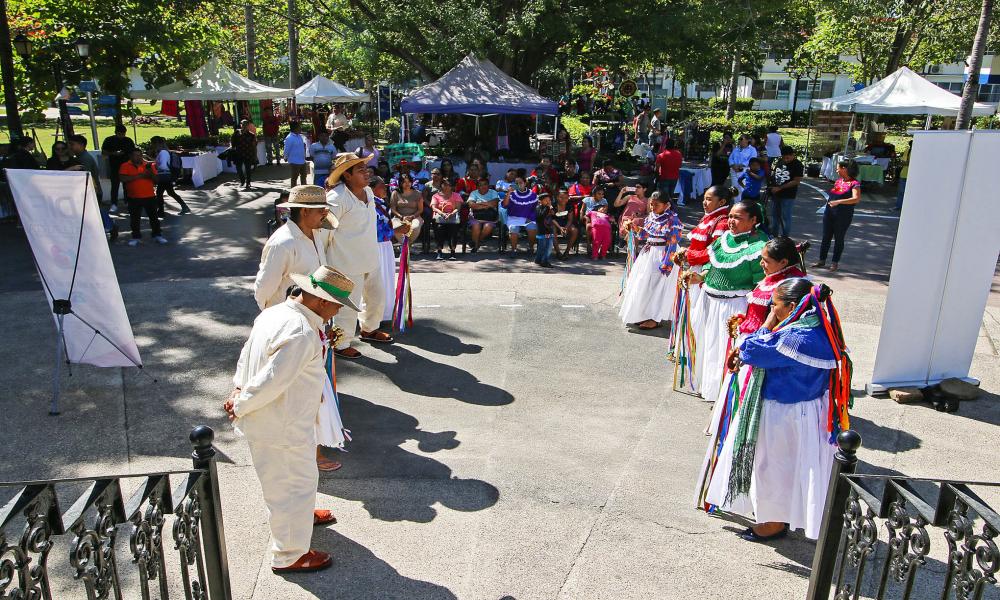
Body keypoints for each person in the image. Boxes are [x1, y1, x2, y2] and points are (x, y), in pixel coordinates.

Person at [225, 265, 359, 573]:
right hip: (281, 424)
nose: (338, 311)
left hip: (284, 417)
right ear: (322, 301)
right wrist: (240, 403)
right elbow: (272, 380)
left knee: (298, 479)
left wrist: (238, 389)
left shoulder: (274, 313)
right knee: (289, 485)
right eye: (337, 305)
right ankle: (289, 554)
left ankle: (300, 519)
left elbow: (247, 354)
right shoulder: (300, 332)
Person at [703, 280, 846, 542]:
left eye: (775, 304)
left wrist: (768, 322)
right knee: (792, 467)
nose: (771, 308)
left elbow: (751, 350)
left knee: (773, 468)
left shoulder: (794, 338)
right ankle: (784, 515)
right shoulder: (819, 328)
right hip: (808, 411)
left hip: (784, 413)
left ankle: (772, 523)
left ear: (792, 307)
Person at [694, 236, 808, 509]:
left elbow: (780, 327)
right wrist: (745, 325)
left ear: (783, 262)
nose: (761, 264)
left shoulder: (791, 286)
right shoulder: (775, 279)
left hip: (763, 351)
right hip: (752, 342)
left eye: (765, 260)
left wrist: (756, 338)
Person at [252, 185, 349, 470]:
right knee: (300, 392)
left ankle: (311, 450)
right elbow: (263, 291)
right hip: (291, 328)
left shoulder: (315, 236)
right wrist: (280, 322)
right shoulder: (282, 243)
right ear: (305, 211)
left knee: (313, 389)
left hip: (314, 323)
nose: (324, 214)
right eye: (321, 210)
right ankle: (307, 455)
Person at [686, 201, 767, 402]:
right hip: (710, 302)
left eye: (737, 217)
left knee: (724, 349)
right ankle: (708, 387)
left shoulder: (759, 247)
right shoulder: (724, 239)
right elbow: (712, 264)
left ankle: (723, 395)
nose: (731, 221)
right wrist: (701, 276)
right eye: (730, 216)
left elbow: (761, 284)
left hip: (734, 307)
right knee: (708, 345)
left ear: (753, 220)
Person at [326, 153, 394, 358]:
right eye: (360, 169)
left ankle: (369, 329)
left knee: (376, 298)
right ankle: (340, 344)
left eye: (366, 168)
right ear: (347, 175)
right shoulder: (336, 198)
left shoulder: (368, 192)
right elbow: (324, 234)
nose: (367, 172)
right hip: (345, 263)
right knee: (346, 308)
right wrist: (325, 264)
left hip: (370, 257)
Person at [619, 192, 683, 329]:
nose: (653, 207)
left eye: (656, 205)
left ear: (666, 205)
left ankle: (655, 318)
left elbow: (672, 242)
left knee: (658, 287)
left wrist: (667, 263)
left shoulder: (673, 220)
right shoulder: (652, 217)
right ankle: (642, 314)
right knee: (642, 283)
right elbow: (645, 234)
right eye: (651, 204)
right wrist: (634, 228)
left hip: (663, 254)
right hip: (648, 254)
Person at [813, 160, 861, 272]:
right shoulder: (838, 181)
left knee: (839, 238)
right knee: (826, 237)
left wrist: (839, 202)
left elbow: (856, 199)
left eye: (838, 168)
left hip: (843, 215)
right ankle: (821, 260)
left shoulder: (854, 183)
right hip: (829, 213)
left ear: (845, 169)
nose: (836, 170)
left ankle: (834, 263)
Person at [372, 177, 409, 321]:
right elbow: (375, 230)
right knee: (379, 280)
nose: (385, 189)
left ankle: (385, 313)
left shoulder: (380, 203)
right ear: (373, 188)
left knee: (387, 279)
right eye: (382, 186)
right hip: (376, 246)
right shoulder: (370, 205)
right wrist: (396, 230)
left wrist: (397, 229)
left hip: (385, 246)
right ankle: (375, 316)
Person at [68, 134, 117, 241]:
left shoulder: (84, 159)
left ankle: (110, 226)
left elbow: (86, 176)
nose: (70, 147)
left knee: (96, 211)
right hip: (91, 189)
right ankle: (110, 226)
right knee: (96, 210)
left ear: (81, 145)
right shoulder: (81, 157)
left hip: (91, 190)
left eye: (72, 144)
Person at [118, 149, 167, 246]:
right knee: (135, 219)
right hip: (133, 197)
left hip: (149, 196)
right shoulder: (125, 165)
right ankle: (136, 237)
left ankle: (157, 235)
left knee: (154, 218)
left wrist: (150, 173)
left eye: (140, 155)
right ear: (131, 156)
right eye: (136, 155)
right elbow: (123, 178)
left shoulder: (148, 165)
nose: (139, 157)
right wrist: (140, 176)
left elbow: (157, 180)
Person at [768, 146, 804, 237]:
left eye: (788, 158)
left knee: (785, 217)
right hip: (776, 193)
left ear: (793, 155)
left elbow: (796, 181)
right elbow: (774, 174)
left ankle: (785, 236)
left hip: (788, 195)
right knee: (775, 215)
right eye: (784, 157)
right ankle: (774, 235)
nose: (785, 160)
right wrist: (772, 185)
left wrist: (780, 188)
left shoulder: (798, 165)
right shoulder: (780, 161)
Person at [151, 136, 191, 215]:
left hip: (164, 175)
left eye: (152, 143)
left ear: (157, 144)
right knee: (169, 192)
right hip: (166, 175)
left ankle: (161, 211)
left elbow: (163, 165)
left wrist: (156, 166)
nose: (152, 145)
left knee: (160, 193)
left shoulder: (163, 153)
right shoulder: (164, 152)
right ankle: (183, 206)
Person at [102, 125, 136, 212]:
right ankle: (114, 203)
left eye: (123, 134)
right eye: (120, 134)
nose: (121, 136)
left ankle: (128, 202)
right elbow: (104, 152)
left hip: (126, 166)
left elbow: (133, 152)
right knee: (115, 186)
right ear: (116, 133)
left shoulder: (128, 140)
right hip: (114, 166)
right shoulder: (109, 140)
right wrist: (113, 153)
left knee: (127, 185)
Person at [502, 175, 538, 256]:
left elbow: (535, 209)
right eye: (516, 183)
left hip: (528, 218)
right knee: (513, 229)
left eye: (520, 183)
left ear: (525, 183)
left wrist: (531, 218)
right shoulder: (511, 194)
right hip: (513, 218)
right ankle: (514, 250)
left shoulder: (532, 195)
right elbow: (504, 205)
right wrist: (509, 193)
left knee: (532, 228)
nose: (518, 185)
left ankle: (531, 248)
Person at [431, 179, 463, 261]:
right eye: (444, 185)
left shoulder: (456, 195)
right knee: (439, 228)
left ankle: (453, 251)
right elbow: (434, 207)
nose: (446, 187)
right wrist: (442, 214)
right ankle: (439, 251)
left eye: (449, 185)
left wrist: (451, 214)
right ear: (441, 185)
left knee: (453, 228)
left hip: (452, 216)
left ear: (451, 186)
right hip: (440, 217)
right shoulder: (435, 196)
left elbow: (458, 208)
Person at [467, 175, 500, 252]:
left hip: (490, 217)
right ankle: (475, 247)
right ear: (477, 187)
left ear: (488, 185)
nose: (483, 186)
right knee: (476, 225)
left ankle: (477, 242)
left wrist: (480, 204)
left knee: (488, 227)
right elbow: (471, 205)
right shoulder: (474, 193)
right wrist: (487, 205)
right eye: (480, 185)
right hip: (476, 217)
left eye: (485, 184)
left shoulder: (493, 192)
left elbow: (495, 203)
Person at [390, 173, 424, 242]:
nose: (407, 184)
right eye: (404, 182)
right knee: (396, 228)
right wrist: (401, 217)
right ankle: (405, 246)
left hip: (415, 217)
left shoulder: (417, 193)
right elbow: (393, 209)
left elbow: (420, 210)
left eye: (409, 181)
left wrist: (412, 216)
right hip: (399, 217)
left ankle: (407, 245)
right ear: (400, 183)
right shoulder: (395, 193)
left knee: (415, 227)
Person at [230, 119, 258, 190]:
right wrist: (232, 148)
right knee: (238, 168)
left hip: (248, 154)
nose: (244, 126)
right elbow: (232, 142)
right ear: (241, 125)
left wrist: (255, 156)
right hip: (238, 154)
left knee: (248, 169)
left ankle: (248, 182)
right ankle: (242, 180)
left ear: (248, 126)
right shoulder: (236, 133)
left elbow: (254, 146)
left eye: (246, 125)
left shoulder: (251, 135)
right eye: (243, 124)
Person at [728, 135, 758, 201]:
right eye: (739, 138)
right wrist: (733, 165)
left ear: (747, 140)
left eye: (741, 139)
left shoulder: (752, 149)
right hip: (734, 170)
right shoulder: (736, 149)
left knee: (743, 188)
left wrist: (741, 165)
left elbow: (752, 159)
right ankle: (736, 204)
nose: (740, 140)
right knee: (735, 189)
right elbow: (730, 158)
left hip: (744, 171)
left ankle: (744, 203)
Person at [534, 192, 559, 267]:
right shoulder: (538, 208)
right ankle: (541, 260)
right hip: (542, 231)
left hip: (549, 230)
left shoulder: (550, 208)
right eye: (546, 200)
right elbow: (540, 217)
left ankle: (542, 260)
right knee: (542, 247)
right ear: (540, 201)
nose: (548, 202)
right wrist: (548, 208)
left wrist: (553, 213)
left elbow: (554, 218)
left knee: (549, 247)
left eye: (549, 200)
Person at [655, 139, 683, 204]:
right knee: (671, 195)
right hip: (675, 177)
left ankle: (666, 207)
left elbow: (657, 168)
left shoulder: (661, 155)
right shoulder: (679, 154)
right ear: (674, 145)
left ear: (665, 145)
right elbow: (680, 165)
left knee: (664, 196)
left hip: (664, 177)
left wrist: (657, 177)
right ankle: (670, 206)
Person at [553, 189, 579, 259]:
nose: (563, 199)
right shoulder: (553, 205)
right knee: (553, 231)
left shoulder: (569, 205)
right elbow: (552, 219)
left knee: (574, 230)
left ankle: (567, 252)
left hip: (566, 223)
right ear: (557, 197)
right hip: (555, 223)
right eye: (561, 197)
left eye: (566, 198)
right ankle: (558, 252)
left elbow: (570, 219)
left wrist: (566, 228)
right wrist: (560, 228)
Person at [284, 121, 309, 188]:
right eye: (299, 127)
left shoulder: (299, 136)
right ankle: (293, 191)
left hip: (302, 160)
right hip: (294, 161)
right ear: (295, 128)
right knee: (294, 178)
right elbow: (286, 149)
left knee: (304, 176)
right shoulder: (289, 138)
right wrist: (285, 157)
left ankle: (304, 190)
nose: (300, 129)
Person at [896, 140, 911, 211]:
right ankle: (899, 207)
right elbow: (903, 162)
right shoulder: (908, 150)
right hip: (904, 174)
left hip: (912, 175)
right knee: (901, 192)